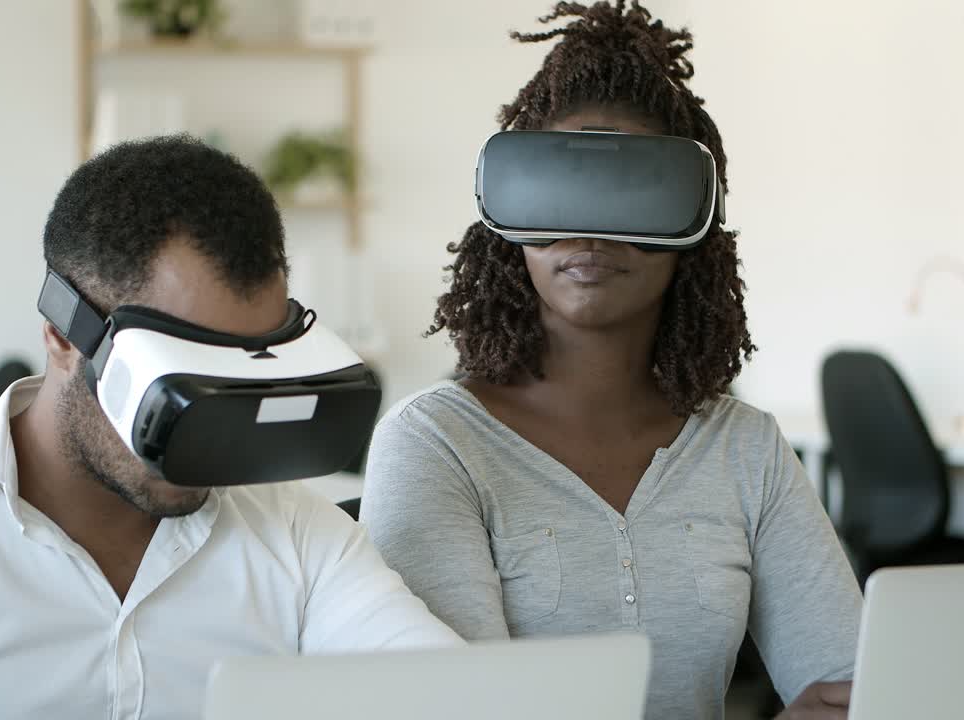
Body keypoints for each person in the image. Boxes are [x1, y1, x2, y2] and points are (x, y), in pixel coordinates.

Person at [0, 136, 461, 720]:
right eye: (182, 379)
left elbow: (451, 698)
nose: (213, 433)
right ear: (62, 335)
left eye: (245, 374)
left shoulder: (299, 536)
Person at [360, 3, 861, 719]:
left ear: (691, 219)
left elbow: (851, 690)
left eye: (631, 191)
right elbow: (464, 711)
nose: (590, 232)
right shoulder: (435, 446)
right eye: (563, 188)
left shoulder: (745, 449)